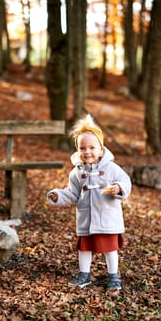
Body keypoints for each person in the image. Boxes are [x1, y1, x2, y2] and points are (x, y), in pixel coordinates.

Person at [47, 114, 131, 290]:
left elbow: (125, 181)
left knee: (110, 248)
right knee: (84, 248)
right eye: (82, 148)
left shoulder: (112, 168)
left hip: (107, 217)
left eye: (92, 147)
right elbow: (72, 193)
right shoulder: (76, 173)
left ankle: (113, 277)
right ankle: (84, 275)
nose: (87, 152)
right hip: (86, 217)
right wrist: (58, 195)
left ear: (101, 149)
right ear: (78, 151)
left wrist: (119, 188)